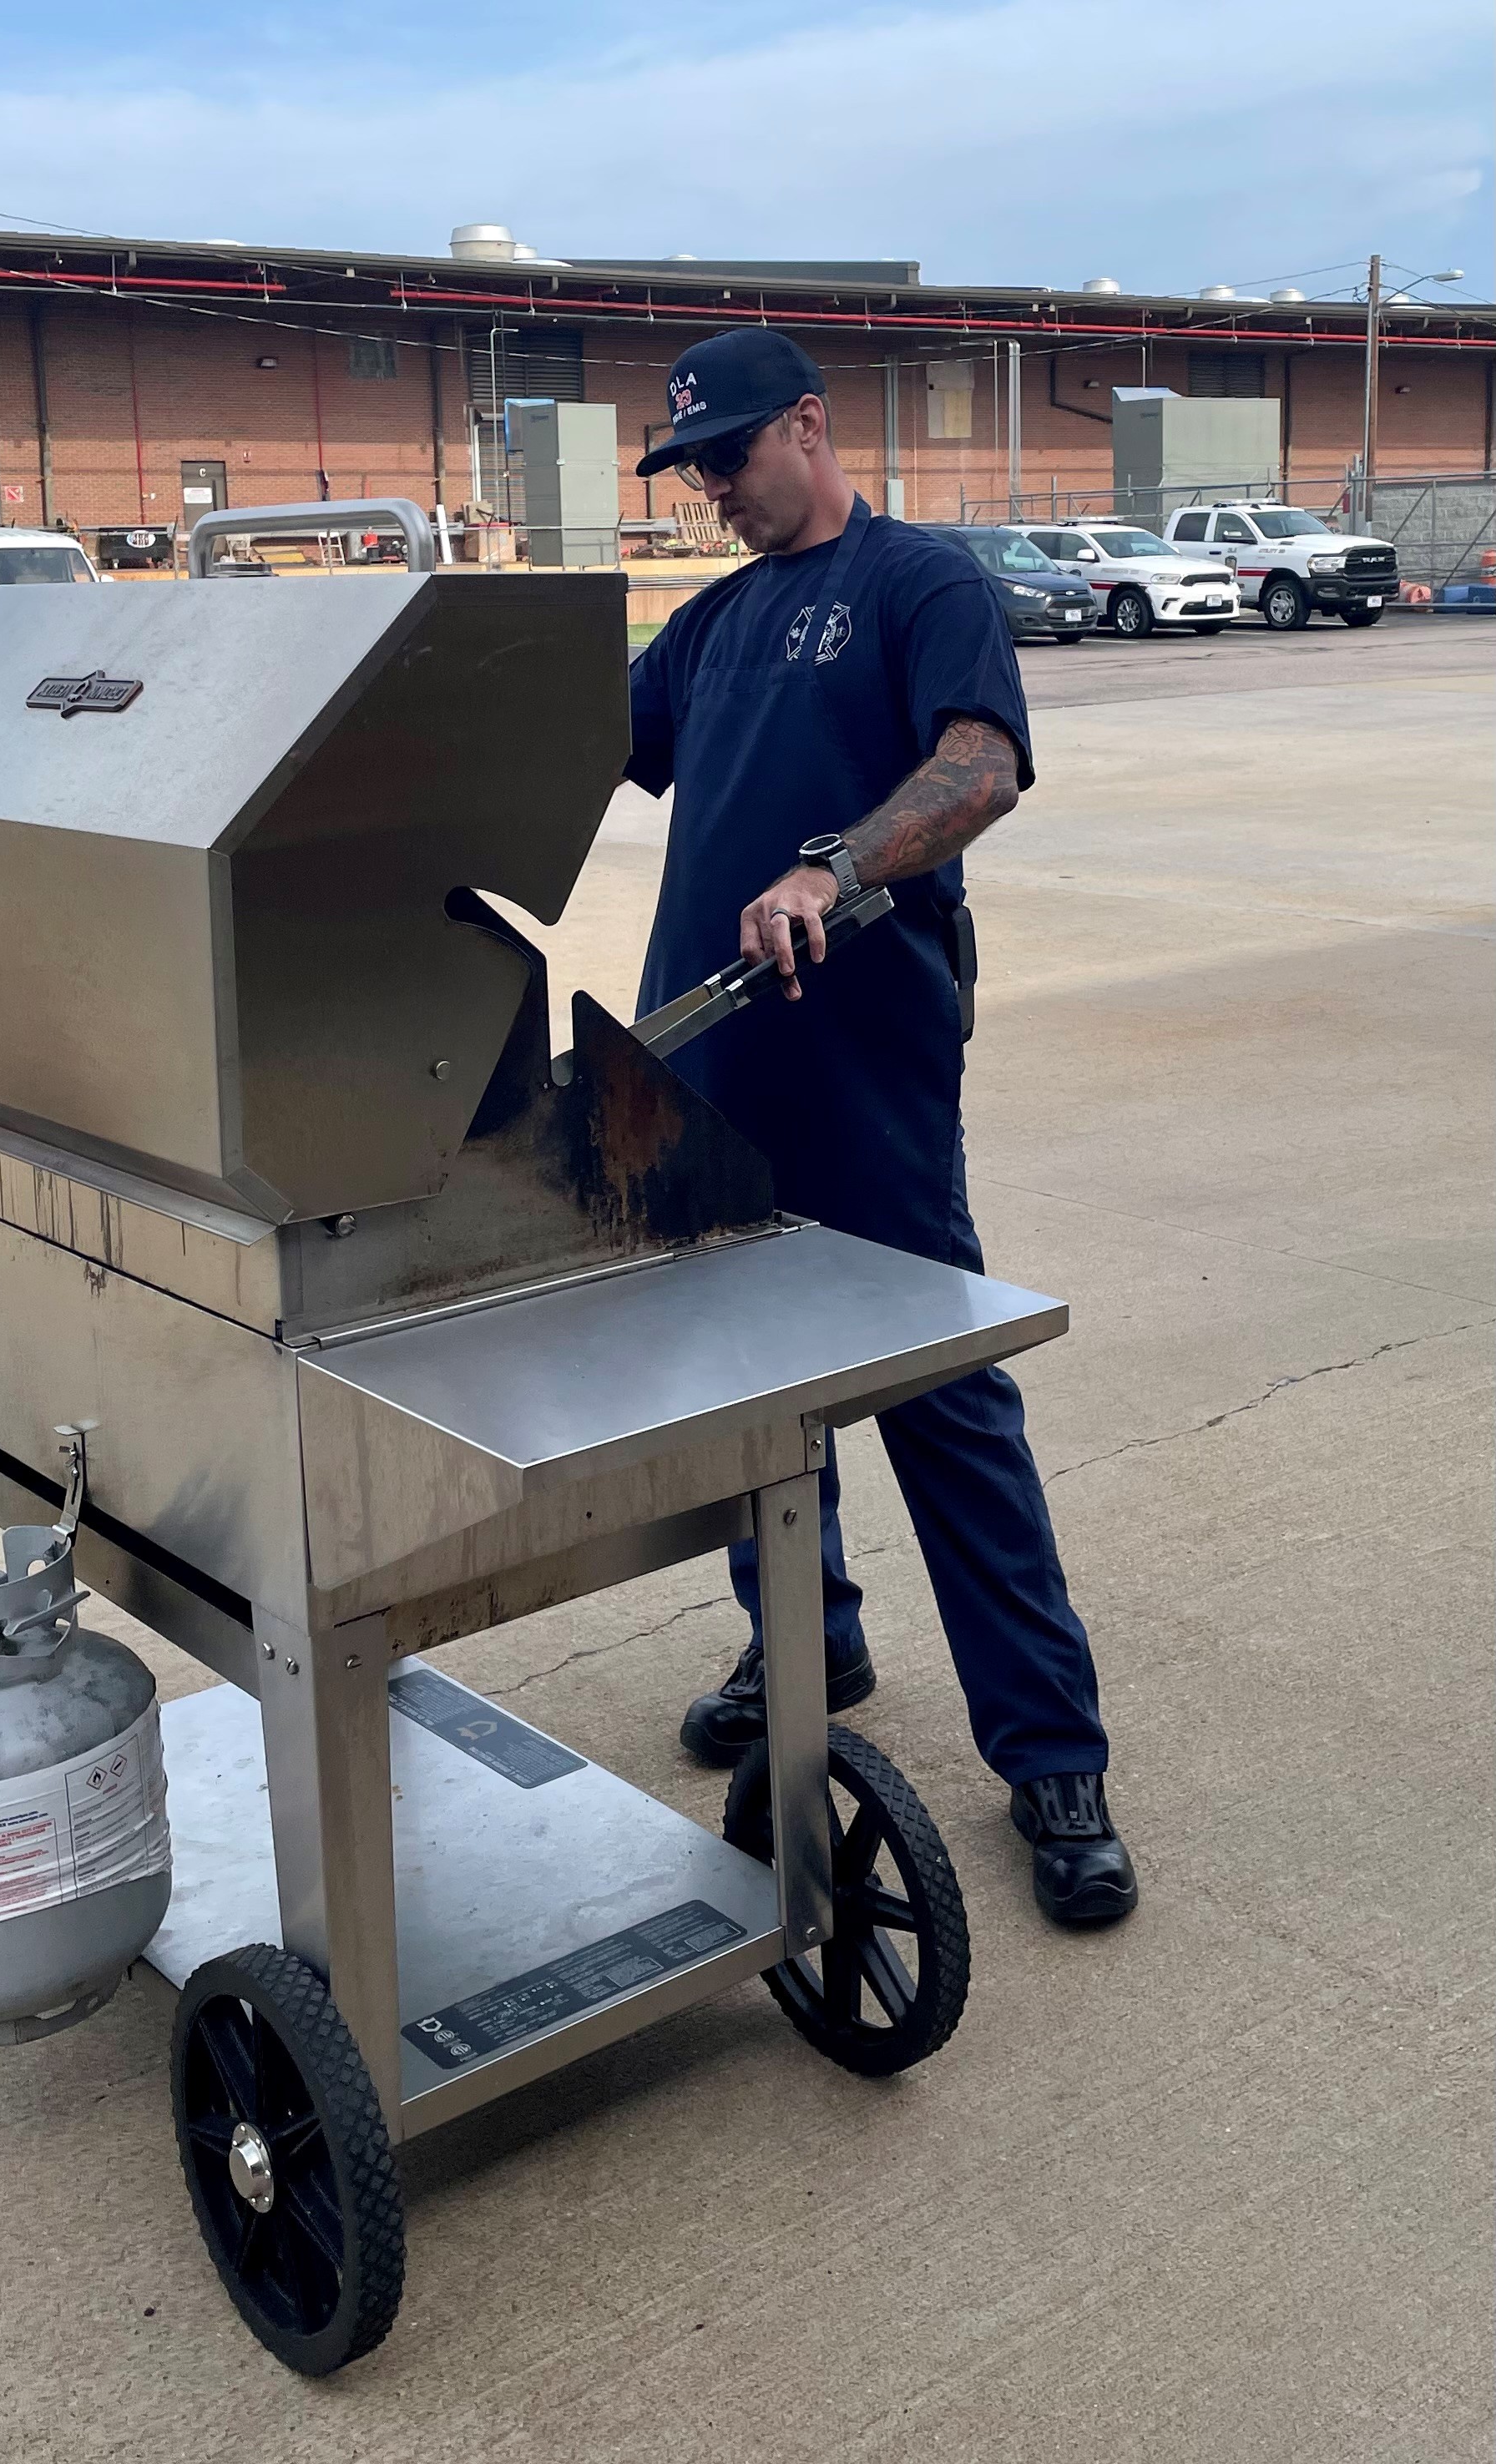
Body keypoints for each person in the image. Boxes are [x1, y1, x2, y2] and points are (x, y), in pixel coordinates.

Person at [628, 328, 1136, 1926]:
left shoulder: (921, 583)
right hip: (703, 1069)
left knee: (937, 1392)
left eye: (727, 455)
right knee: (740, 1400)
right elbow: (570, 751)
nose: (709, 488)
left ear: (806, 423)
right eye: (688, 466)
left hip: (863, 1064)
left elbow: (979, 767)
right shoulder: (705, 625)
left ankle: (1052, 1752)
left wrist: (831, 869)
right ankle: (809, 1641)